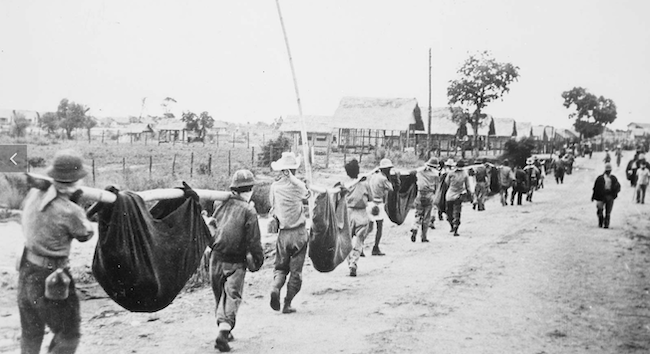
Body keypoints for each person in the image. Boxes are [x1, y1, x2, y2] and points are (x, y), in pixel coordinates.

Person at [18, 149, 94, 354]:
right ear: (76, 180)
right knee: (69, 335)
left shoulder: (35, 193)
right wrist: (77, 206)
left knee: (31, 333)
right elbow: (86, 234)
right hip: (52, 277)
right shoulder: (70, 211)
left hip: (26, 271)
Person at [209, 169, 264, 352]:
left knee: (220, 295)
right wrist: (258, 259)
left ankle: (224, 328)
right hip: (235, 261)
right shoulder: (249, 210)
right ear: (249, 190)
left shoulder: (220, 203)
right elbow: (254, 240)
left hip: (215, 258)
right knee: (232, 296)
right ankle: (223, 334)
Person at [268, 152, 310, 314]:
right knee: (296, 272)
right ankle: (287, 303)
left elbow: (272, 208)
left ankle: (275, 287)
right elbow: (306, 193)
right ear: (294, 170)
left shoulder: (275, 187)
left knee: (280, 268)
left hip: (283, 233)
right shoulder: (297, 187)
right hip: (298, 233)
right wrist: (294, 179)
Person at [342, 159, 372, 277]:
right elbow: (371, 197)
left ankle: (350, 262)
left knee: (347, 240)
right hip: (361, 213)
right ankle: (354, 262)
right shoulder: (364, 184)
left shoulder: (345, 184)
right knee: (359, 240)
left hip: (348, 213)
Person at [368, 158, 394, 256]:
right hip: (378, 203)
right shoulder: (383, 179)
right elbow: (391, 189)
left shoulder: (373, 176)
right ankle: (375, 247)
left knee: (369, 227)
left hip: (370, 203)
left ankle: (360, 246)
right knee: (379, 227)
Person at [410, 157, 440, 242]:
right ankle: (423, 237)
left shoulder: (419, 172)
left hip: (419, 194)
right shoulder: (436, 174)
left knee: (418, 213)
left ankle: (415, 227)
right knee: (426, 216)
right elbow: (437, 187)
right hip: (429, 195)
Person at [444, 160, 473, 236]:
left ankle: (451, 226)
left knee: (449, 211)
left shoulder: (451, 173)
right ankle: (456, 228)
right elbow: (468, 186)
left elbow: (446, 182)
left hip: (449, 195)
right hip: (459, 195)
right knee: (457, 212)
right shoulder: (465, 174)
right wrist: (470, 195)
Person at [591, 163, 621, 229]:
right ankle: (601, 222)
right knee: (600, 210)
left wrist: (614, 193)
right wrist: (593, 196)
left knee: (608, 211)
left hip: (610, 195)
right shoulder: (600, 178)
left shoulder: (613, 178)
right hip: (601, 196)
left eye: (609, 170)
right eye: (607, 171)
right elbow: (595, 188)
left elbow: (618, 186)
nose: (608, 172)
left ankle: (606, 224)